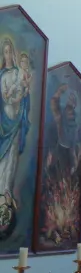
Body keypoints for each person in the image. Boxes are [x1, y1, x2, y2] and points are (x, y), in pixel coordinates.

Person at [0, 38, 30, 210]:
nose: (8, 54)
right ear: (3, 55)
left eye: (10, 51)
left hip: (17, 118)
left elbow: (25, 94)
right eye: (5, 52)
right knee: (4, 155)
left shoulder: (20, 72)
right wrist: (12, 97)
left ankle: (7, 190)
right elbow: (4, 98)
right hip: (5, 120)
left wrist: (23, 94)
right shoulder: (3, 75)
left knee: (13, 155)